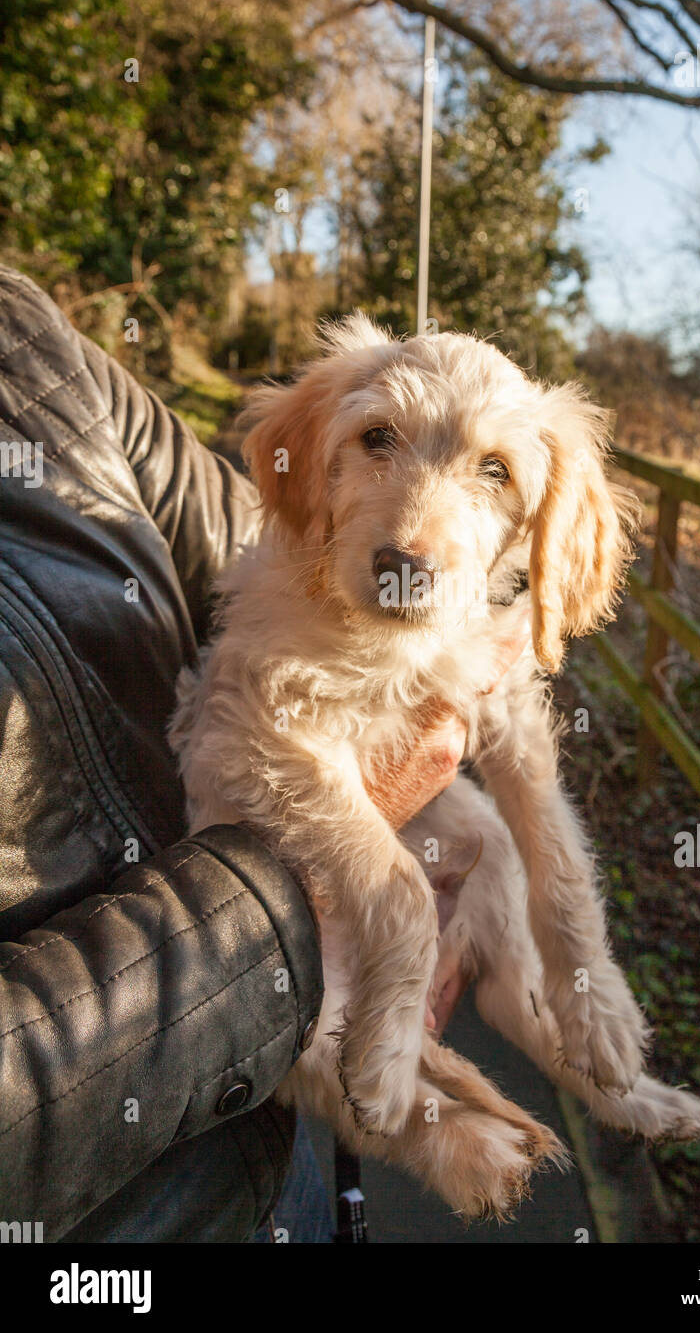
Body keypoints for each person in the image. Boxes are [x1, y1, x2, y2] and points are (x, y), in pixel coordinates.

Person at [0, 266, 523, 1243]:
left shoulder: (22, 337)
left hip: (270, 1163)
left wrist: (435, 602)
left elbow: (267, 527)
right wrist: (287, 910)